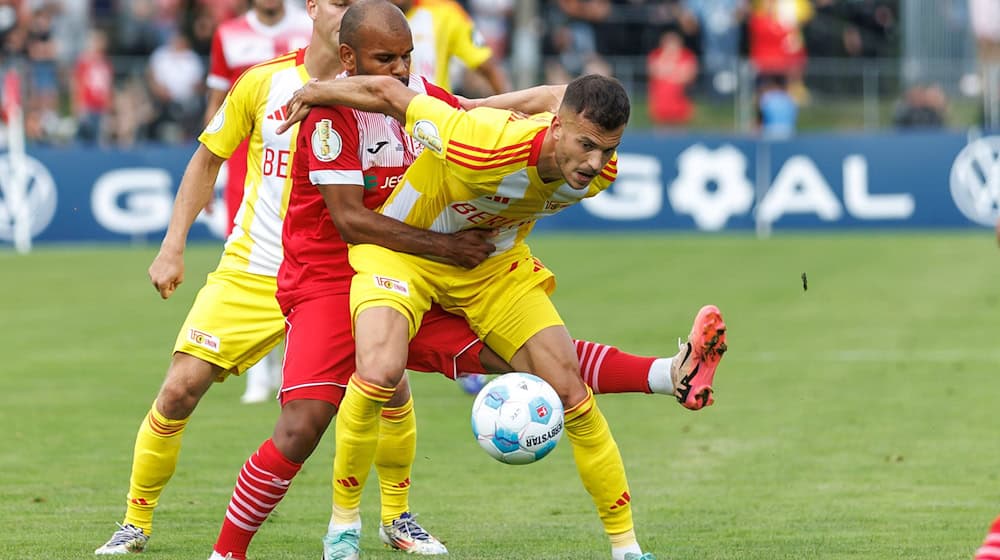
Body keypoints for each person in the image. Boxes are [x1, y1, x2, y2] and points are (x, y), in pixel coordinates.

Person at [95, 0, 687, 556]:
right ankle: (162, 527)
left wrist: (543, 104)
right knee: (270, 411)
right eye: (388, 58)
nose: (402, 69)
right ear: (327, 24)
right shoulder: (301, 99)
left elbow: (477, 112)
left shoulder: (417, 95)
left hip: (397, 266)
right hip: (300, 269)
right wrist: (173, 247)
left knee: (508, 364)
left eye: (407, 56)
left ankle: (664, 379)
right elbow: (346, 218)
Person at [278, 11, 727, 560]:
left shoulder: (599, 169)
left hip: (492, 266)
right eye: (586, 145)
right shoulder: (478, 144)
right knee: (377, 372)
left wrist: (481, 102)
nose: (595, 163)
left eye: (607, 150)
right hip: (405, 253)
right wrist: (318, 90)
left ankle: (628, 549)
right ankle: (343, 529)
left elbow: (557, 94)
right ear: (558, 127)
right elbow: (391, 94)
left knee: (571, 393)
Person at [204, 0, 313, 404]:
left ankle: (292, 366)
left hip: (300, 155)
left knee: (302, 262)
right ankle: (258, 372)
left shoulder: (311, 25)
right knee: (252, 254)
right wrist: (208, 169)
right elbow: (216, 101)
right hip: (245, 162)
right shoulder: (228, 34)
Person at [389, 0, 508, 95]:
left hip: (433, 117)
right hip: (380, 118)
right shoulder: (371, 13)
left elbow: (488, 67)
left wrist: (510, 111)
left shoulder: (446, 12)